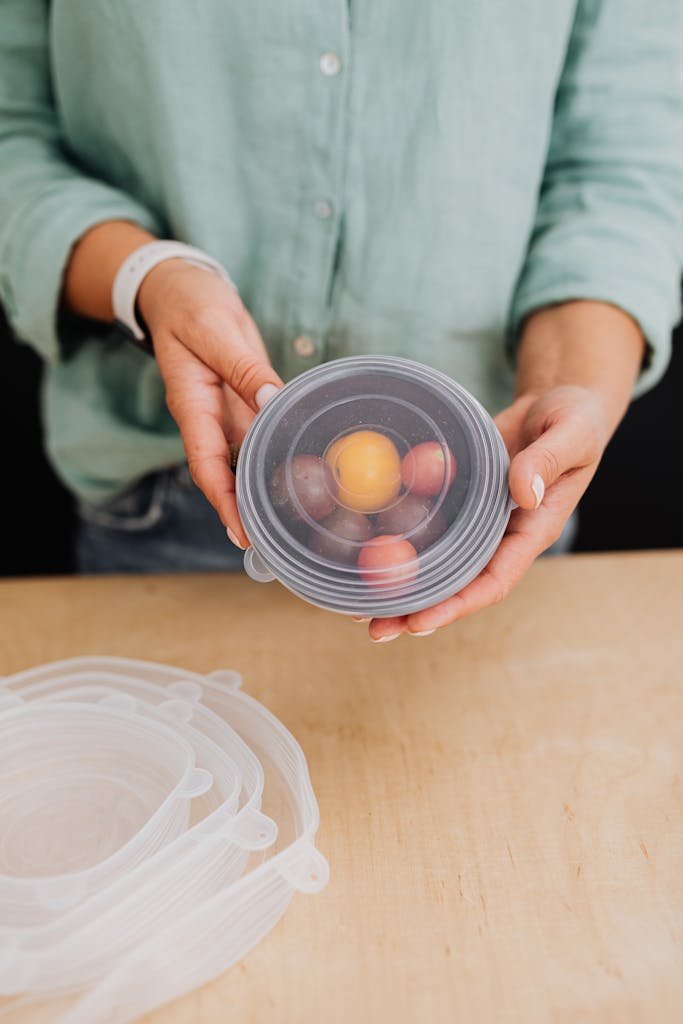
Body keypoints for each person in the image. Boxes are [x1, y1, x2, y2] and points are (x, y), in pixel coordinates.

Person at [1, 2, 681, 641]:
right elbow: (11, 133)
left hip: (477, 509)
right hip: (171, 504)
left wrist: (569, 387)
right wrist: (144, 278)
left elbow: (620, 169)